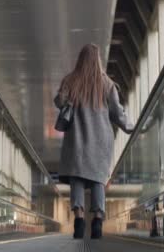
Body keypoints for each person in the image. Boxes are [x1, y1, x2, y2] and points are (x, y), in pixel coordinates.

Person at [54, 43, 134, 239]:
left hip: (77, 141)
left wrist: (67, 91)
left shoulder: (71, 81)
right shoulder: (107, 84)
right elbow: (117, 114)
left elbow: (59, 102)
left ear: (80, 60)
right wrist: (133, 127)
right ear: (98, 61)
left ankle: (79, 220)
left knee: (77, 180)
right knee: (98, 180)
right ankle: (98, 220)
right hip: (100, 142)